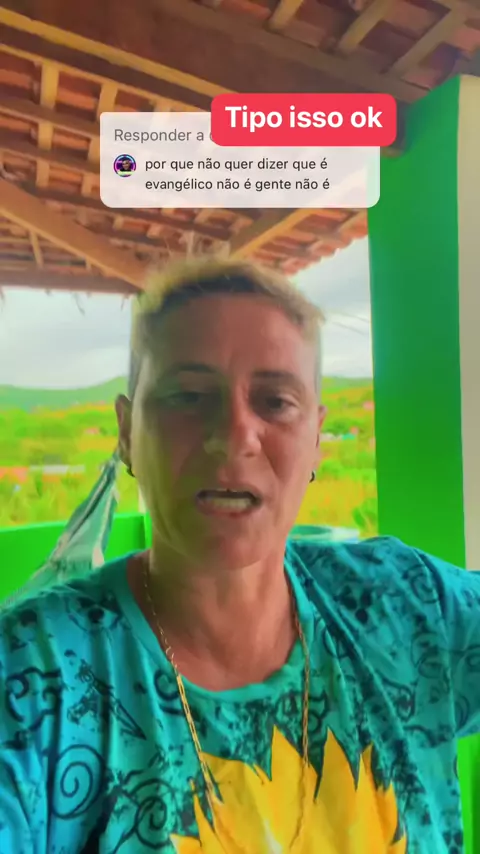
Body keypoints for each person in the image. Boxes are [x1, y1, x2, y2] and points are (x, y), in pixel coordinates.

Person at [0, 258, 479, 854]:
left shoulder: (405, 605)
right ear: (127, 433)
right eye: (188, 395)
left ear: (316, 438)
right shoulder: (33, 675)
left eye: (275, 401)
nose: (233, 434)